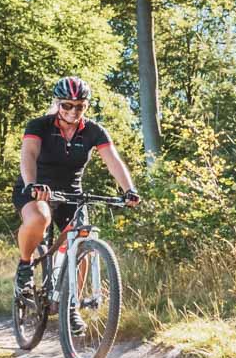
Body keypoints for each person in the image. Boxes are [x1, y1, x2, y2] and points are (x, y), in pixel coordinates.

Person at [13, 77, 141, 329]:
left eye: (79, 106)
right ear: (57, 104)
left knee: (82, 240)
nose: (73, 111)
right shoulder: (39, 125)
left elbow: (112, 161)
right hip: (36, 187)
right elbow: (28, 154)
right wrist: (32, 184)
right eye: (67, 105)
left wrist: (129, 190)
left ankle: (70, 305)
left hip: (71, 192)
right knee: (40, 218)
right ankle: (25, 265)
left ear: (86, 106)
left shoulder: (93, 131)